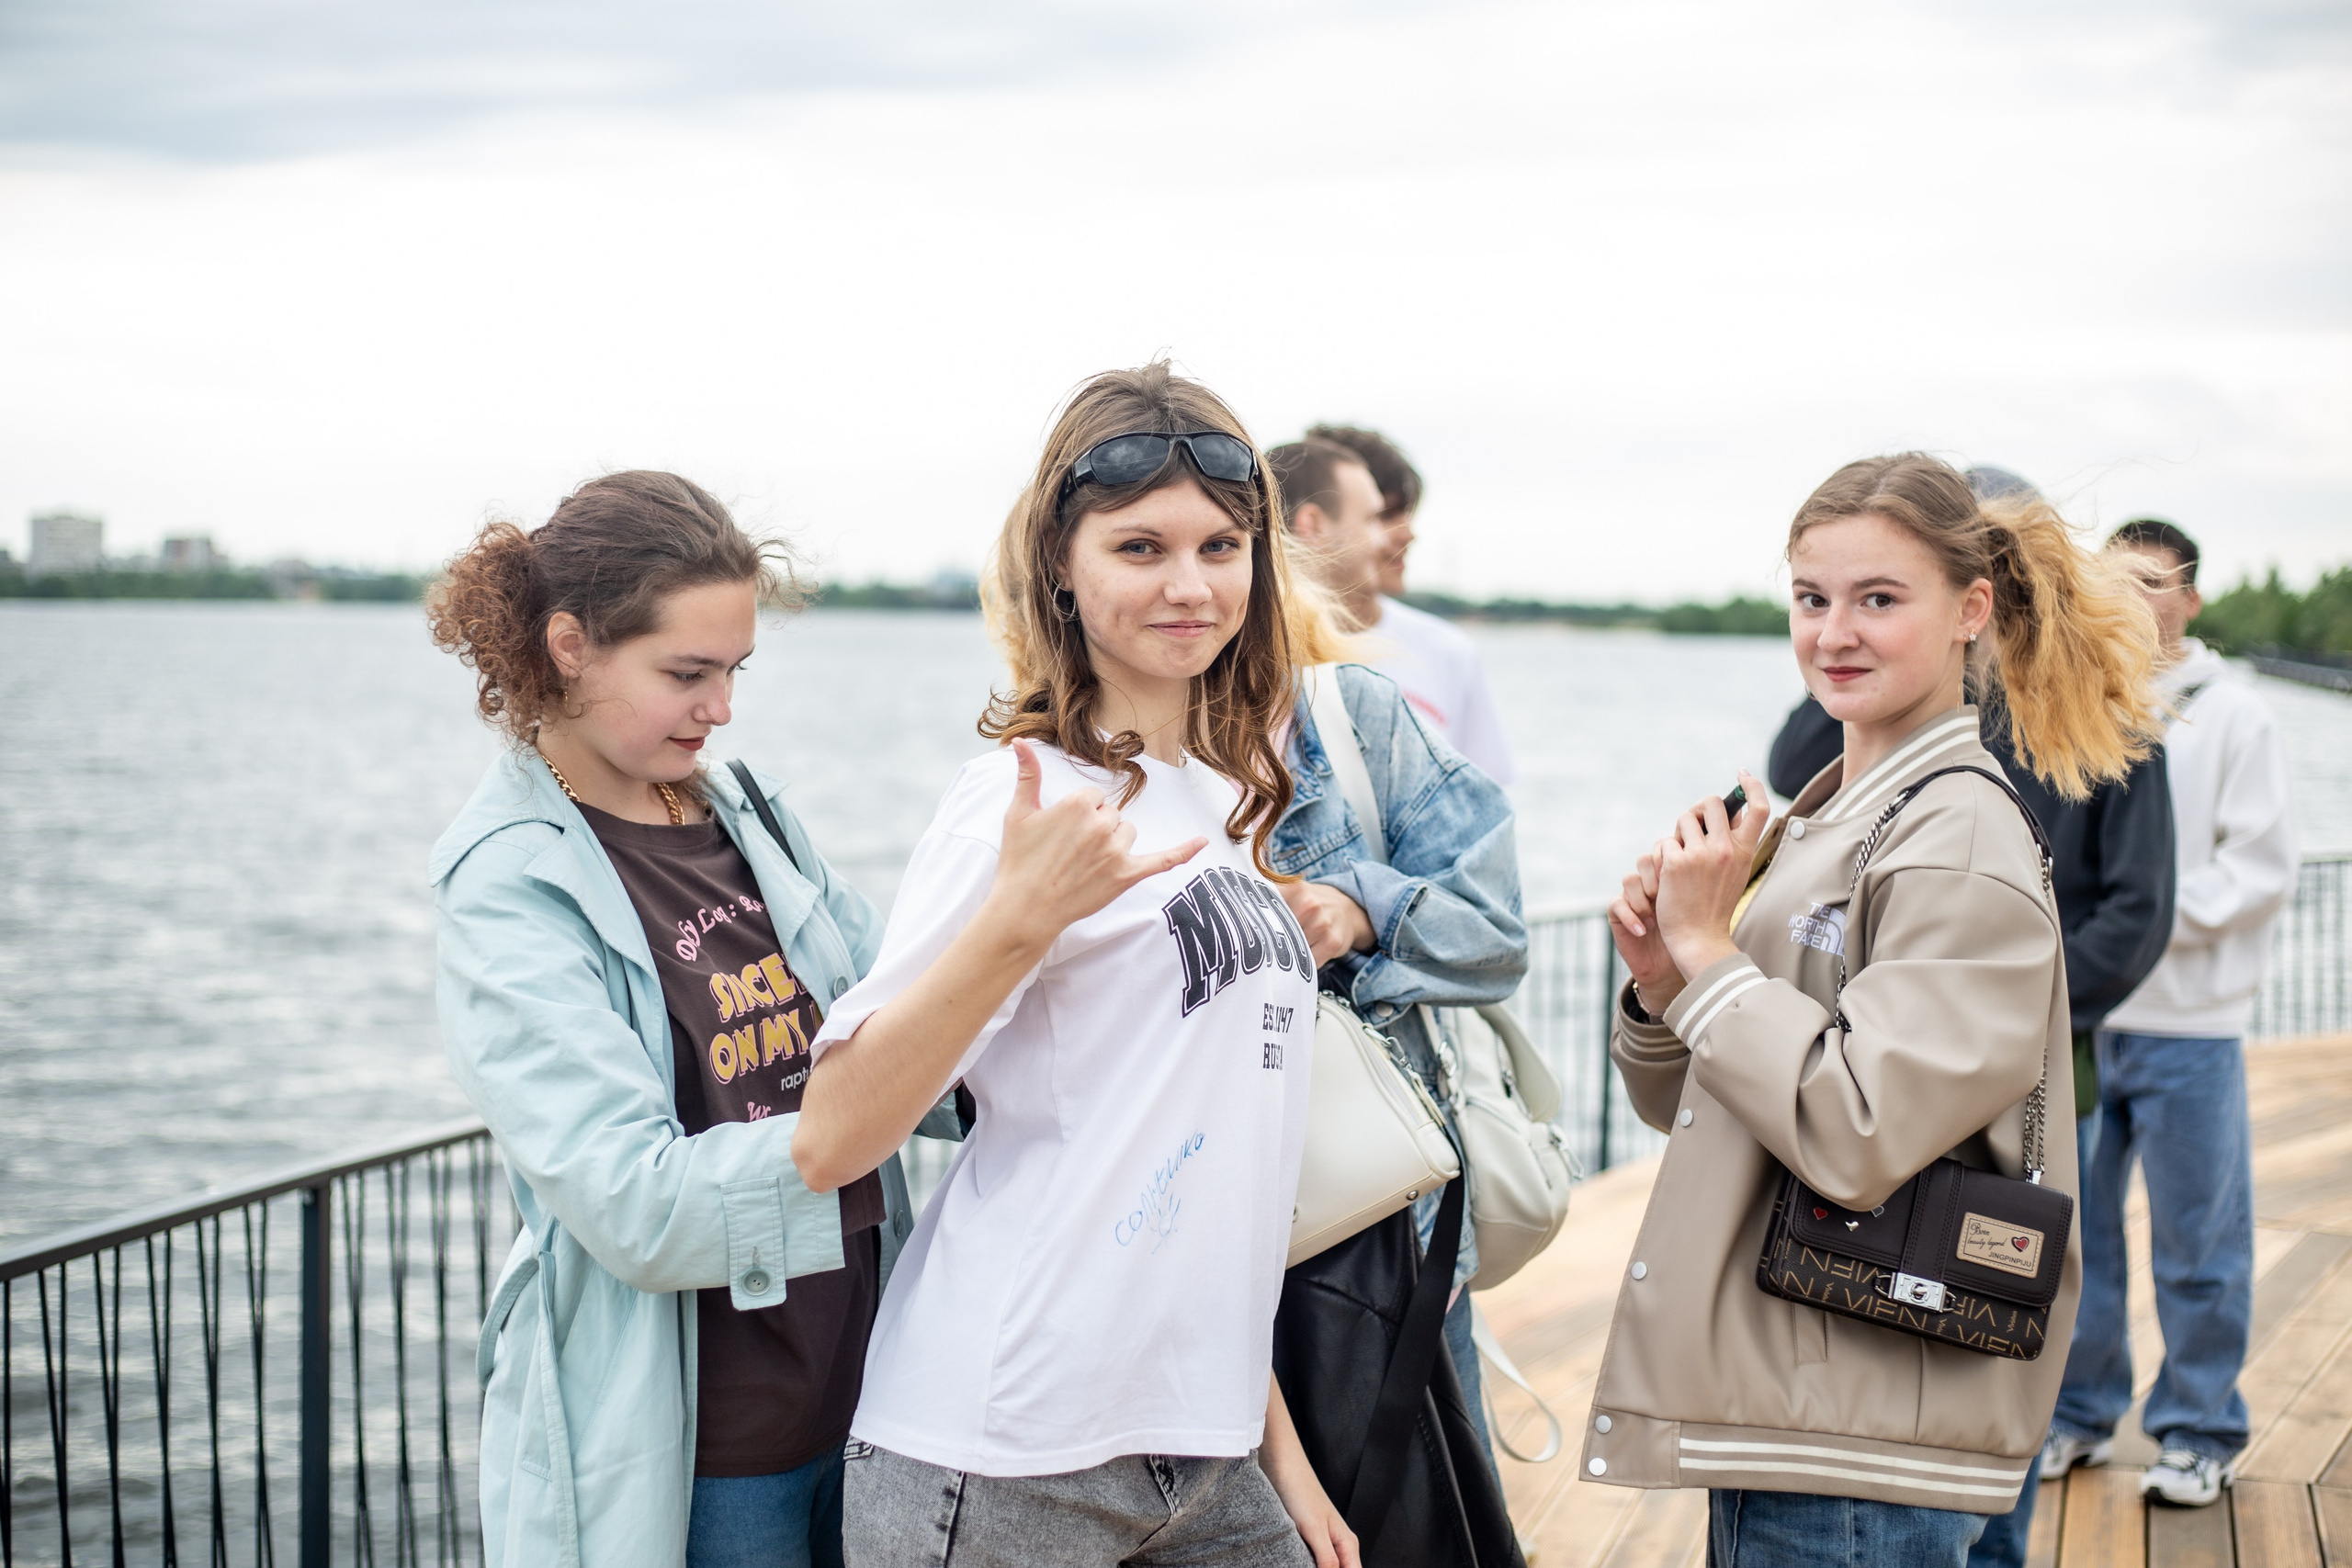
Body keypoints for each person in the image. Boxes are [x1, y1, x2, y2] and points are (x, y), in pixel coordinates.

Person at [792, 363, 1358, 1568]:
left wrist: (1279, 1453)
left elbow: (1205, 1156)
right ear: (1060, 557)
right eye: (1140, 545)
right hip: (1002, 1452)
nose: (1190, 583)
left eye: (1221, 544)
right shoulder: (1015, 798)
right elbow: (832, 1134)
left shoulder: (1219, 804)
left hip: (1202, 1448)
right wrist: (1015, 920)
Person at [1591, 453, 2163, 1566]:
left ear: (1971, 611)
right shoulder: (1834, 813)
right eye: (1811, 599)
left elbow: (1855, 1134)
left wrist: (1712, 956)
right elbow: (1710, 1110)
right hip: (1798, 1406)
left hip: (1851, 1431)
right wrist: (1665, 981)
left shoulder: (1956, 833)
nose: (1833, 633)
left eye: (1877, 600)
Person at [427, 471, 921, 1567]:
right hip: (703, 1455)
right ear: (568, 646)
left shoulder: (748, 809)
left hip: (872, 1394)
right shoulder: (508, 882)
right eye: (686, 673)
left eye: (735, 670)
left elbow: (895, 1014)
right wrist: (840, 1133)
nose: (722, 708)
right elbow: (633, 1202)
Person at [2036, 517, 2300, 1509]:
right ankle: (2078, 1413)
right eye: (2114, 581)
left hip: (2192, 1024)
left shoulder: (2238, 716)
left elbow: (2259, 870)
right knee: (2078, 1235)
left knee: (2199, 1238)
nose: (2134, 600)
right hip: (2088, 1022)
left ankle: (2197, 1429)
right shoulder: (2078, 706)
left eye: (2152, 583)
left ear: (2189, 598)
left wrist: (2135, 918)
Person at [1265, 582, 1528, 1554]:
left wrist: (1358, 905)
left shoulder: (1346, 716)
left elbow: (1497, 931)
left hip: (1381, 1226)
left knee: (1423, 1515)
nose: (1188, 588)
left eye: (1218, 549)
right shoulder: (1090, 756)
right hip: (1187, 1244)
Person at [1280, 426, 1520, 784]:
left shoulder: (1446, 651)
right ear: (1315, 522)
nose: (1407, 533)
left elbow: (1486, 800)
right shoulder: (1247, 655)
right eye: (1383, 514)